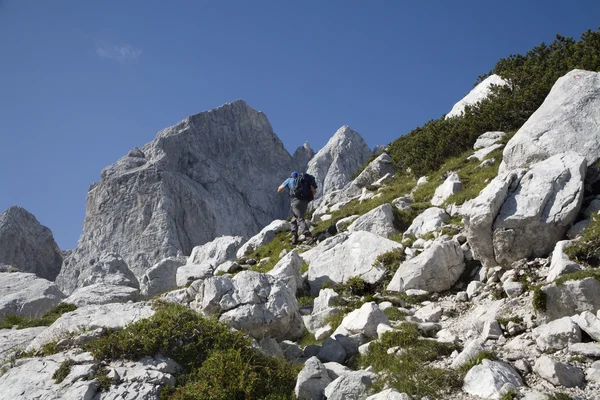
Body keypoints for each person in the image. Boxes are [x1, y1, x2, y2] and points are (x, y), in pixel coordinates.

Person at [278, 171, 318, 245]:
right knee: (294, 219)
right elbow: (314, 191)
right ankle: (294, 237)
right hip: (305, 202)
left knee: (300, 218)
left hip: (295, 202)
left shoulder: (289, 180)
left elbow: (279, 189)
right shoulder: (304, 180)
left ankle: (308, 236)